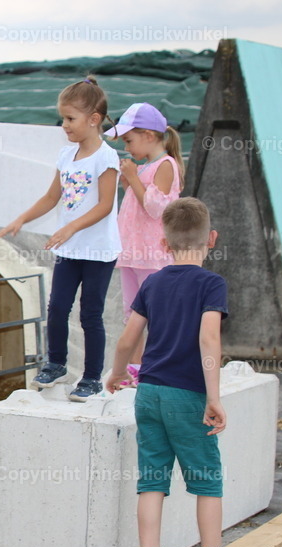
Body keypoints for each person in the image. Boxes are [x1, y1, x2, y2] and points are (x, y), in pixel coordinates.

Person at [106, 198, 246, 547]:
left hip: (148, 393)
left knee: (152, 480)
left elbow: (128, 338)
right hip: (187, 396)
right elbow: (208, 338)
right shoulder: (211, 284)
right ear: (211, 239)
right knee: (206, 481)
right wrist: (213, 397)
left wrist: (117, 374)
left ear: (164, 244)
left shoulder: (152, 282)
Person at [0, 76, 121, 401]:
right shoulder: (66, 156)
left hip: (97, 251)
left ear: (93, 120)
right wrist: (21, 219)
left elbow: (106, 205)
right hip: (70, 249)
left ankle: (92, 378)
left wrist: (71, 227)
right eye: (63, 118)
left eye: (70, 119)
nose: (64, 125)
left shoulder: (106, 158)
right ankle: (57, 364)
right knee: (57, 306)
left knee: (90, 314)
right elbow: (52, 198)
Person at [105, 102, 184, 385]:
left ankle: (160, 367)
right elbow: (139, 202)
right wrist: (132, 181)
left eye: (129, 140)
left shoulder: (166, 165)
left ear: (149, 135)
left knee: (158, 315)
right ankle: (135, 368)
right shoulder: (147, 166)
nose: (127, 147)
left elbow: (157, 209)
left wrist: (132, 178)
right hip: (131, 254)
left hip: (152, 256)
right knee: (133, 315)